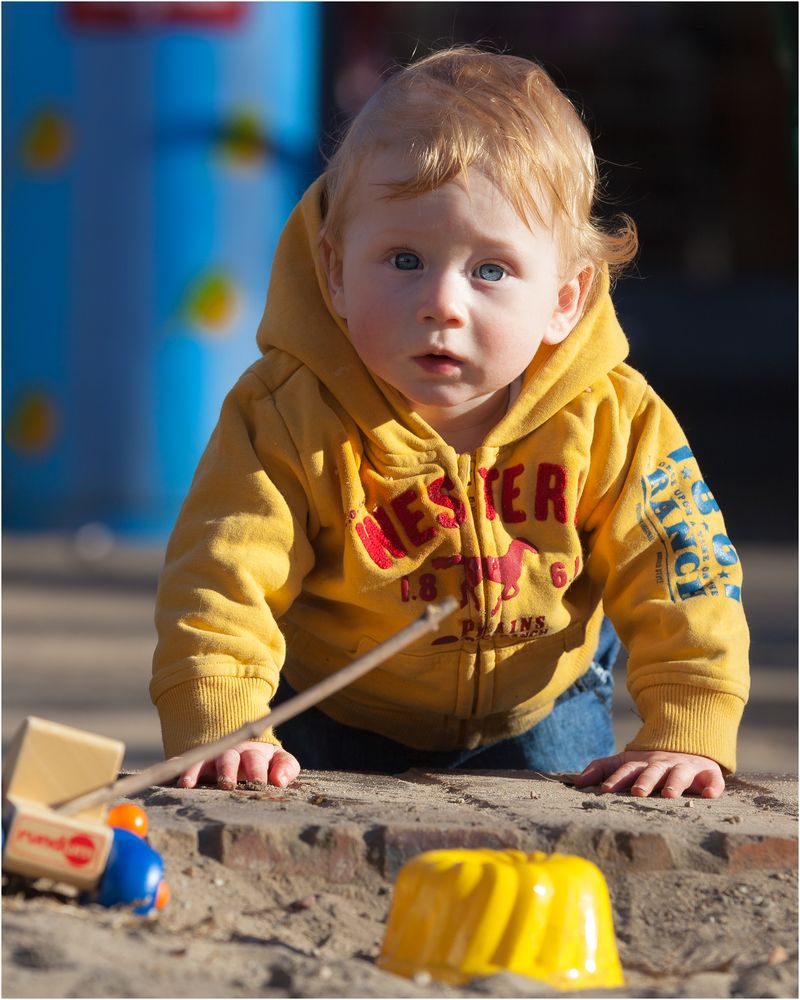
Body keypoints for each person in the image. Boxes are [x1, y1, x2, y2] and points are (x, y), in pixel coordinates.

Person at [151, 47, 749, 799]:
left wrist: (689, 724)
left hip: (536, 712)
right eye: (403, 259)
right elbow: (221, 576)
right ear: (335, 272)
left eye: (491, 270)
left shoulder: (611, 419)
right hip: (329, 710)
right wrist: (223, 719)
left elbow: (682, 569)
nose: (443, 303)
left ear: (565, 298)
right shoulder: (287, 413)